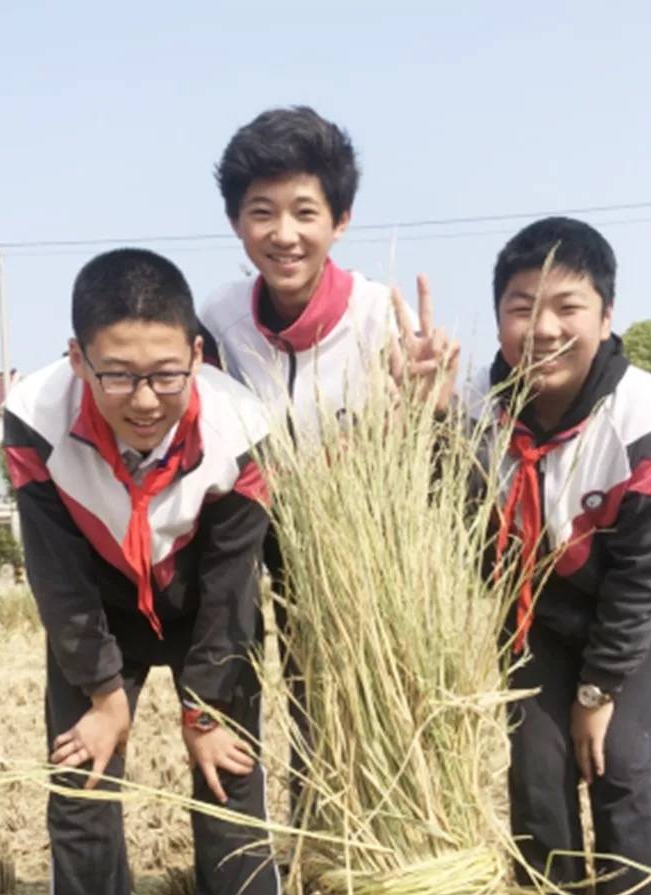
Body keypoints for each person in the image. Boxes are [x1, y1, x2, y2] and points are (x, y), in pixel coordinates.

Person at [3, 248, 280, 895]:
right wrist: (101, 691)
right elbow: (55, 570)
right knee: (81, 777)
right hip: (99, 607)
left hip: (203, 611)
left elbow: (233, 587)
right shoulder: (34, 415)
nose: (146, 398)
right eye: (118, 374)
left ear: (197, 353)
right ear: (77, 358)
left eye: (165, 372)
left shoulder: (240, 425)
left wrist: (204, 710)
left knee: (230, 780)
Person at [464, 217, 651, 895]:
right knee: (539, 782)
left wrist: (600, 687)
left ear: (605, 315)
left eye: (568, 305)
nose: (546, 327)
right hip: (532, 622)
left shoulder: (644, 417)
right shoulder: (473, 411)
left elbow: (647, 570)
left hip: (631, 618)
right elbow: (449, 522)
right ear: (498, 318)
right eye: (523, 305)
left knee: (624, 771)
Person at [200, 105, 454, 810]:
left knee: (339, 709)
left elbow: (430, 465)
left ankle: (337, 851)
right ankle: (252, 889)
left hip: (352, 560)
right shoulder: (216, 319)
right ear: (236, 222)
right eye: (262, 212)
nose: (284, 234)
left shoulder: (382, 318)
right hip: (245, 546)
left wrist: (429, 409)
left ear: (340, 220)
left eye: (305, 212)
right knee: (230, 706)